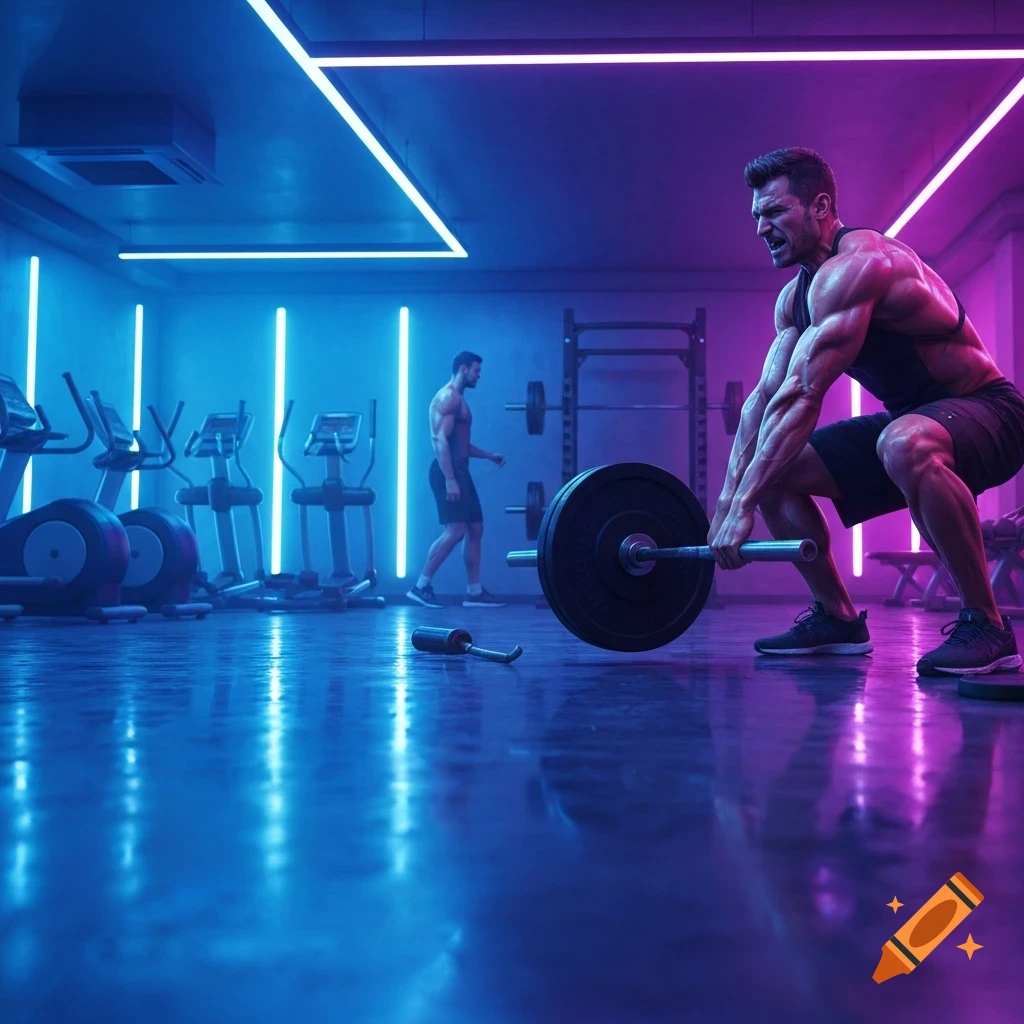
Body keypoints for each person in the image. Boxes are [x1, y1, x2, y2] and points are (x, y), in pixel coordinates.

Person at [709, 147, 1024, 676]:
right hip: (913, 422)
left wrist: (741, 506)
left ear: (820, 206)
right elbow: (764, 400)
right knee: (776, 471)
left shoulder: (863, 264)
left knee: (901, 441)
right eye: (756, 216)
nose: (762, 226)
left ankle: (988, 626)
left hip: (991, 413)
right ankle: (837, 617)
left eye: (775, 212)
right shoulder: (795, 298)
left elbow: (803, 393)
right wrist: (728, 500)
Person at [407, 350, 508, 609]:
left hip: (461, 472)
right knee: (455, 531)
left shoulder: (459, 400)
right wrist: (450, 479)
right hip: (448, 472)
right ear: (464, 368)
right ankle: (421, 587)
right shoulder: (448, 398)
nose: (479, 376)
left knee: (475, 528)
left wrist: (488, 456)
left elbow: (459, 443)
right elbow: (439, 439)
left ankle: (474, 592)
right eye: (477, 370)